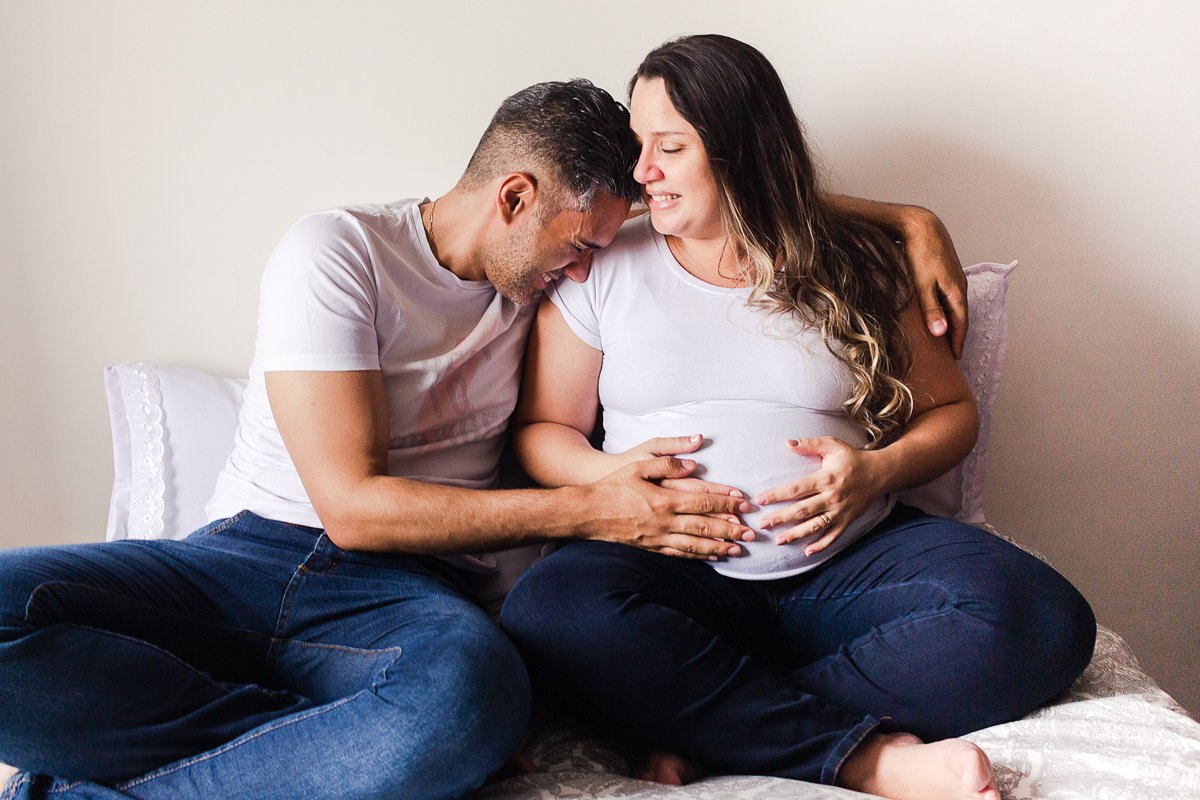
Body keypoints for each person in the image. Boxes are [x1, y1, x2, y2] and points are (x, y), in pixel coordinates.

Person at [0, 76, 967, 800]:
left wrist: (909, 217)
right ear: (514, 197)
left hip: (409, 602)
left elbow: (728, 176)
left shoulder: (540, 277)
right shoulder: (338, 253)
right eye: (580, 245)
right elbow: (353, 508)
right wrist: (598, 507)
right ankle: (324, 742)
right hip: (247, 558)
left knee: (473, 699)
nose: (585, 271)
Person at [499, 35, 1096, 800]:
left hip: (846, 567)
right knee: (549, 609)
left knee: (1040, 618)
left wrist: (876, 469)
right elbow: (544, 432)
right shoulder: (605, 266)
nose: (641, 171)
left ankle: (713, 721)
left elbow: (952, 413)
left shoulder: (851, 262)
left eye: (668, 147)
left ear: (739, 149)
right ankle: (864, 760)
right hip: (672, 570)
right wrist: (613, 477)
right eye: (637, 145)